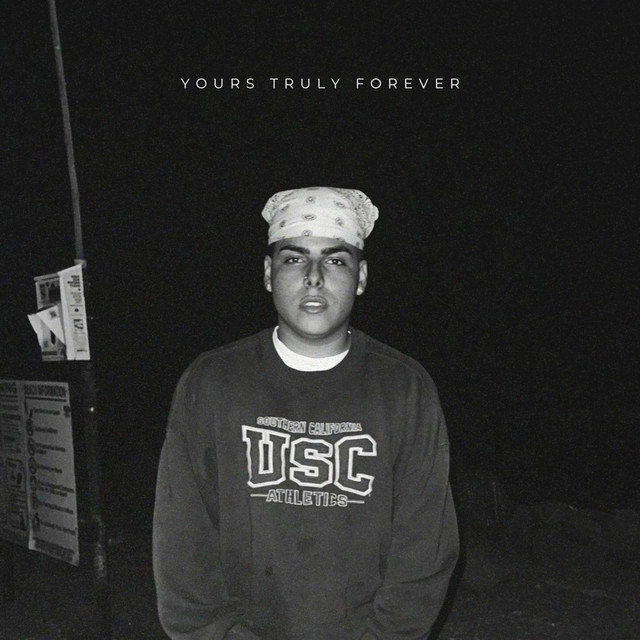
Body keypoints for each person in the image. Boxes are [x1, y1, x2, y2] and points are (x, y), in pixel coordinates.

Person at [153, 186, 459, 640]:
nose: (314, 277)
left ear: (361, 277)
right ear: (268, 273)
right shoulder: (213, 382)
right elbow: (182, 535)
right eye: (294, 258)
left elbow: (424, 545)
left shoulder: (403, 389)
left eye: (336, 261)